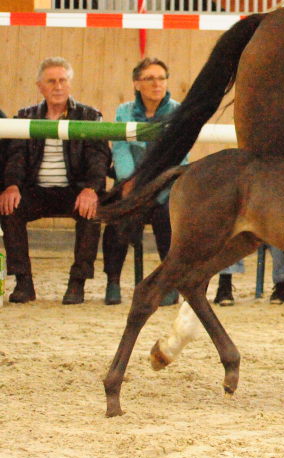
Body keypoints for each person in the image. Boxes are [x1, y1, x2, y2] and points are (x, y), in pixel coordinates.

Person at [0, 57, 110, 304]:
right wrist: (12, 186)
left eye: (62, 80)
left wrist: (91, 189)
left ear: (69, 84)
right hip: (36, 192)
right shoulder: (25, 116)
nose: (57, 86)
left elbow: (99, 158)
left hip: (75, 191)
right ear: (40, 86)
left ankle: (77, 282)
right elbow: (15, 155)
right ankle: (23, 282)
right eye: (51, 81)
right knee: (8, 208)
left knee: (92, 211)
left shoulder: (90, 116)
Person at [102, 57, 188, 306]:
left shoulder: (178, 111)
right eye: (149, 78)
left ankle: (168, 282)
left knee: (167, 218)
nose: (157, 83)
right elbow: (119, 150)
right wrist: (130, 183)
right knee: (119, 217)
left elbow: (180, 156)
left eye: (161, 78)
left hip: (166, 185)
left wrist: (157, 184)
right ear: (137, 83)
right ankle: (113, 282)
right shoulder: (124, 111)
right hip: (132, 184)